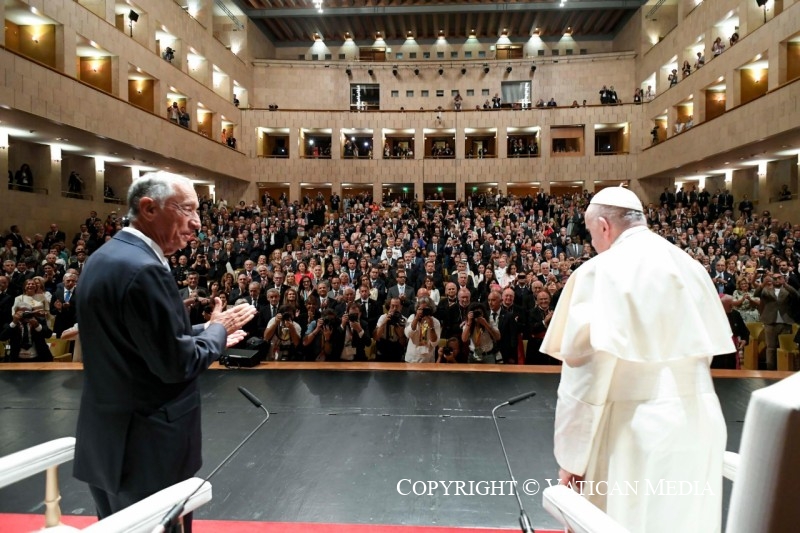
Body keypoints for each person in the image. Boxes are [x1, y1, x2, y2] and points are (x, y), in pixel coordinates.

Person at [541, 186, 734, 533]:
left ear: (603, 226)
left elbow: (584, 380)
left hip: (634, 432)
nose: (593, 244)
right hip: (700, 423)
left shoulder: (599, 272)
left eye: (590, 234)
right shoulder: (690, 267)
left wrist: (571, 458)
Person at [73, 173, 257, 531]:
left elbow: (139, 342)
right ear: (148, 207)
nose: (197, 223)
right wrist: (219, 331)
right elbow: (177, 363)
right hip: (149, 447)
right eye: (187, 209)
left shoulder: (104, 258)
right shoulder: (146, 270)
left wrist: (207, 329)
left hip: (109, 441)